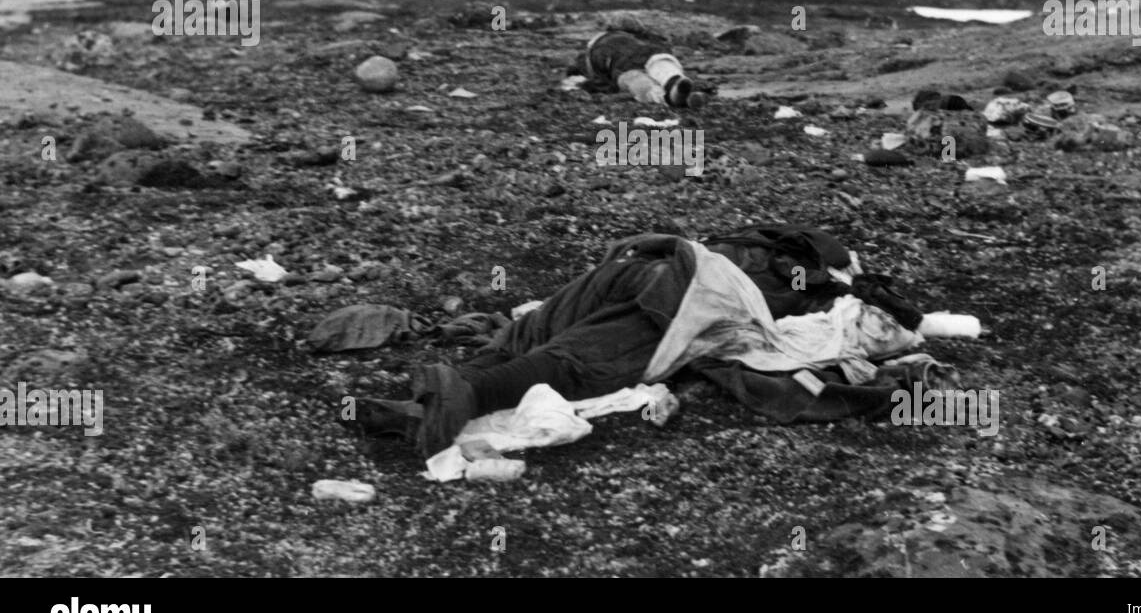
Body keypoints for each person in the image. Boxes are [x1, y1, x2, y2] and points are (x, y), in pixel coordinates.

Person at [349, 226, 965, 459]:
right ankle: (462, 397)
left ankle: (426, 407)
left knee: (532, 333)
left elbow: (668, 241)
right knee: (578, 361)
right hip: (687, 298)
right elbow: (895, 322)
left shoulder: (749, 240)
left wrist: (645, 245)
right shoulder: (826, 289)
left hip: (646, 264)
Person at [566, 15, 710, 108]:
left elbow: (579, 72)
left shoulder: (595, 46)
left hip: (622, 68)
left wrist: (587, 84)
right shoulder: (645, 40)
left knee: (638, 81)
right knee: (663, 66)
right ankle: (677, 87)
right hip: (649, 55)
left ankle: (668, 97)